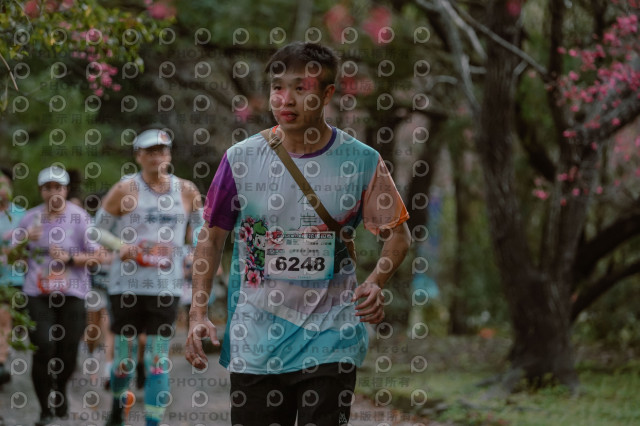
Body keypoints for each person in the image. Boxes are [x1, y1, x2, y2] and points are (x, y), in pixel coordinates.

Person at [184, 42, 412, 426]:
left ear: (326, 94)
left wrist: (376, 281)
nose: (285, 99)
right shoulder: (241, 159)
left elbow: (398, 235)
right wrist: (198, 313)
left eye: (301, 88)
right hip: (256, 339)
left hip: (330, 337)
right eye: (278, 87)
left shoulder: (361, 161)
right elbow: (212, 237)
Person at [97, 128, 204, 426]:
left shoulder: (186, 190)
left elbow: (201, 228)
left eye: (162, 150)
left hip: (166, 286)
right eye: (151, 151)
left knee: (156, 360)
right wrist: (121, 246)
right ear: (138, 156)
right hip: (126, 285)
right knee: (124, 359)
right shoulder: (125, 189)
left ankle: (153, 423)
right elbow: (96, 230)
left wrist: (196, 252)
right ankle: (118, 408)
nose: (158, 156)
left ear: (169, 155)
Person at [13, 166, 104, 426]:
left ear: (66, 190)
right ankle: (45, 410)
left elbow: (99, 255)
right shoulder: (30, 219)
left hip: (72, 292)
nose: (53, 192)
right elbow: (12, 257)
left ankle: (60, 389)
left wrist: (70, 258)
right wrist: (23, 241)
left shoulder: (80, 217)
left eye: (58, 187)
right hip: (37, 293)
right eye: (48, 187)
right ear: (41, 191)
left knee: (68, 350)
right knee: (43, 346)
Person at [0, 167, 26, 386]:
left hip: (11, 280)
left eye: (4, 184)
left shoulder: (23, 215)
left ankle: (0, 361)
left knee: (4, 318)